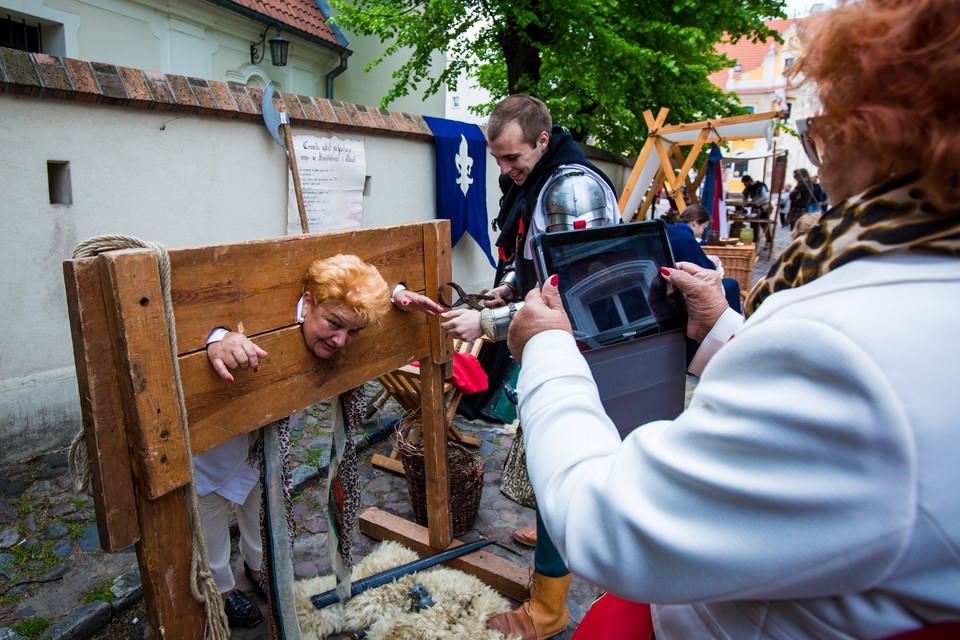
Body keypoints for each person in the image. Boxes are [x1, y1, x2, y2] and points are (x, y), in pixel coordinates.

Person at [503, 0, 960, 637]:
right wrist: (721, 328)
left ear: (880, 125)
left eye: (824, 126)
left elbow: (617, 530)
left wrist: (549, 352)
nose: (821, 153)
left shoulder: (852, 349)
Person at [441, 93, 620, 640]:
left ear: (543, 141)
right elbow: (542, 267)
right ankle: (558, 528)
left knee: (567, 448)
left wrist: (486, 326)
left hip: (588, 347)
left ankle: (547, 609)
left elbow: (577, 293)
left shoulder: (570, 188)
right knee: (547, 449)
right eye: (497, 159)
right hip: (563, 342)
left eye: (512, 158)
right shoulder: (537, 182)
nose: (505, 170)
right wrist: (508, 288)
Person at [199, 255, 442, 627]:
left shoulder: (342, 313)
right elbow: (201, 327)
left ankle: (257, 569)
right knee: (211, 529)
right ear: (308, 302)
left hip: (262, 453)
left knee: (261, 512)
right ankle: (223, 590)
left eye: (354, 332)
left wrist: (396, 294)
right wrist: (216, 340)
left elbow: (363, 293)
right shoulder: (264, 317)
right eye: (333, 324)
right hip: (211, 457)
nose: (341, 340)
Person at [665, 204, 741, 313]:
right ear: (695, 223)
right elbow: (704, 269)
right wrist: (713, 262)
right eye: (703, 227)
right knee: (732, 284)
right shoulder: (687, 240)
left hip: (667, 285)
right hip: (681, 291)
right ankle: (733, 325)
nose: (702, 232)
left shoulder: (671, 230)